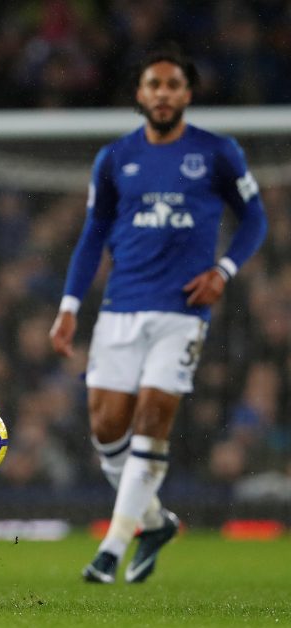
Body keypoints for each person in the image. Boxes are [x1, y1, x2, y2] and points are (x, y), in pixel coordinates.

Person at [49, 47, 267, 584]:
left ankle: (111, 548)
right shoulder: (115, 158)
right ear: (140, 94)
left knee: (151, 419)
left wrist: (224, 271)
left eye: (173, 85)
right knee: (107, 430)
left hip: (182, 311)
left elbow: (255, 218)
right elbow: (93, 236)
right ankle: (155, 522)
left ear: (187, 94)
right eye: (154, 85)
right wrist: (69, 306)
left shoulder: (216, 152)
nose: (163, 94)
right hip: (121, 308)